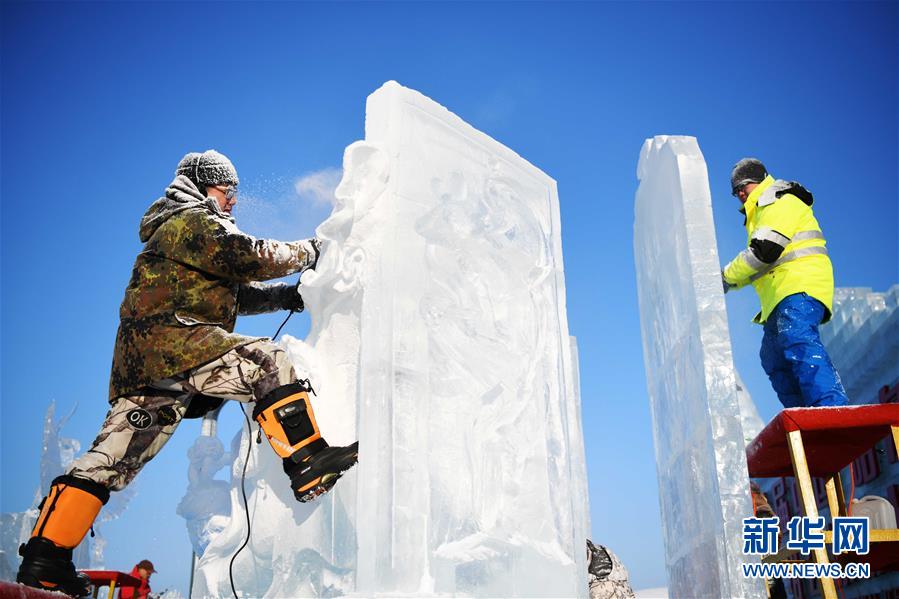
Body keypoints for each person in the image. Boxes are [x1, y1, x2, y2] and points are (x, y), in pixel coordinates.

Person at [17, 150, 359, 596]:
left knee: (111, 459)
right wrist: (313, 252)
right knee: (265, 361)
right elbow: (247, 256)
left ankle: (46, 559)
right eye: (225, 191)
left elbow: (236, 296)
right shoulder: (190, 220)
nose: (232, 201)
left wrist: (288, 297)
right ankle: (308, 460)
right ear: (201, 186)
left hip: (149, 366)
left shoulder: (179, 235)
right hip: (175, 342)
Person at [722, 158, 849, 409]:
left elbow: (764, 252)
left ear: (757, 181)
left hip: (799, 286)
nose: (739, 193)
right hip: (779, 296)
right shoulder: (758, 212)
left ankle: (831, 407)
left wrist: (725, 276)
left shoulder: (778, 201)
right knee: (772, 357)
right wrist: (729, 284)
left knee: (797, 337)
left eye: (742, 186)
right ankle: (804, 415)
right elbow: (761, 265)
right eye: (735, 190)